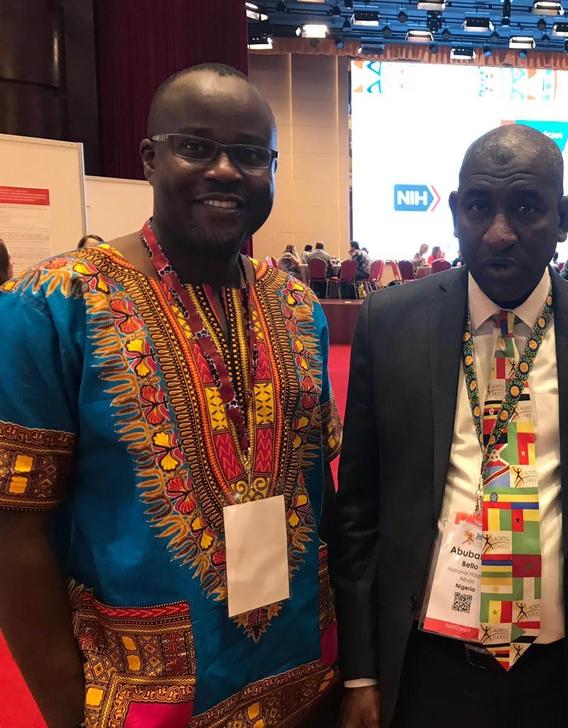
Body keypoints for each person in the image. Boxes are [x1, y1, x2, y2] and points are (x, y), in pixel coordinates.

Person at [0, 63, 341, 727]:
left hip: (305, 678)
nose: (225, 171)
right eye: (196, 147)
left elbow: (318, 490)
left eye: (250, 155)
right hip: (147, 699)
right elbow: (15, 530)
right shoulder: (52, 305)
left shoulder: (299, 307)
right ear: (150, 159)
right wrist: (65, 712)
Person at [331, 124, 568, 728]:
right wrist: (361, 671)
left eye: (527, 208)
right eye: (479, 207)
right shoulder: (391, 323)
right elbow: (357, 508)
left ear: (564, 218)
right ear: (455, 212)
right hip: (427, 668)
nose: (499, 232)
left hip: (561, 676)